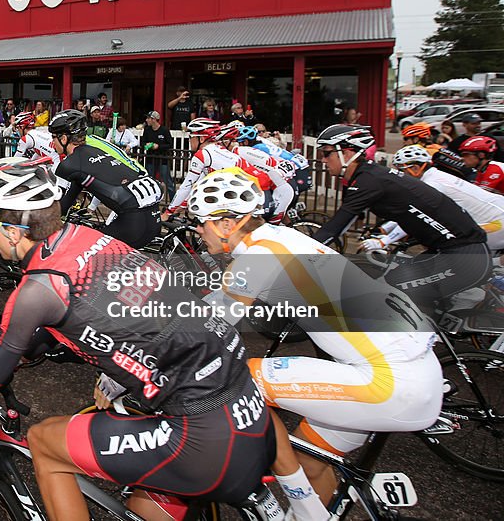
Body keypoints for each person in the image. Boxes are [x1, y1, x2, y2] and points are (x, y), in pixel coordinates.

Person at [0, 158, 276, 519]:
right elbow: (114, 317)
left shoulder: (38, 289)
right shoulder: (92, 239)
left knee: (45, 442)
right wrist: (46, 342)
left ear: (13, 232)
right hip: (247, 408)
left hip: (203, 436)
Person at [187, 168, 441, 518]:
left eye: (200, 222)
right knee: (309, 461)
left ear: (227, 224)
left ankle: (299, 510)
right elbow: (219, 302)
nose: (198, 231)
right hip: (408, 371)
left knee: (241, 381)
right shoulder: (281, 239)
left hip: (390, 381)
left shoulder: (260, 255)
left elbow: (208, 326)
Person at [311, 124, 491, 311]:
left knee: (392, 292)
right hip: (447, 251)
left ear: (346, 153)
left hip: (465, 256)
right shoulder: (369, 176)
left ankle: (434, 333)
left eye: (326, 153)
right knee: (393, 285)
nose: (323, 160)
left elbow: (335, 228)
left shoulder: (369, 181)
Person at [51, 110, 163, 248]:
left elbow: (62, 204)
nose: (52, 142)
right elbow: (74, 190)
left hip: (133, 222)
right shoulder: (96, 149)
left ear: (63, 139)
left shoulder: (70, 164)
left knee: (79, 252)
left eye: (53, 137)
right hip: (153, 216)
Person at [381, 146, 504, 253]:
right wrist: (385, 228)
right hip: (496, 211)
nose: (400, 175)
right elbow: (410, 212)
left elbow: (416, 216)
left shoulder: (431, 184)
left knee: (465, 254)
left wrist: (385, 240)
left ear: (415, 168)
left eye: (401, 170)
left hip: (496, 220)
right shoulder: (435, 176)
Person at [139, 111, 175, 198]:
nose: (146, 120)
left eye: (148, 118)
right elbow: (142, 142)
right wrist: (146, 145)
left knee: (168, 181)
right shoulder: (147, 130)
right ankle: (151, 199)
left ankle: (173, 202)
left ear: (154, 119)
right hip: (150, 158)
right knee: (150, 180)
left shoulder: (164, 130)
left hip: (163, 158)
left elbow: (170, 144)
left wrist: (158, 146)